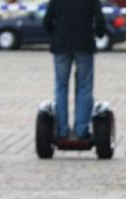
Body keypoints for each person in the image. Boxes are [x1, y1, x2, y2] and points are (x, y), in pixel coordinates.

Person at [43, 0, 107, 141]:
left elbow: (46, 21)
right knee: (84, 87)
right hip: (84, 44)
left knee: (61, 87)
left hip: (61, 45)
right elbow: (100, 21)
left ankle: (62, 131)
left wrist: (55, 34)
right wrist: (99, 34)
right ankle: (81, 131)